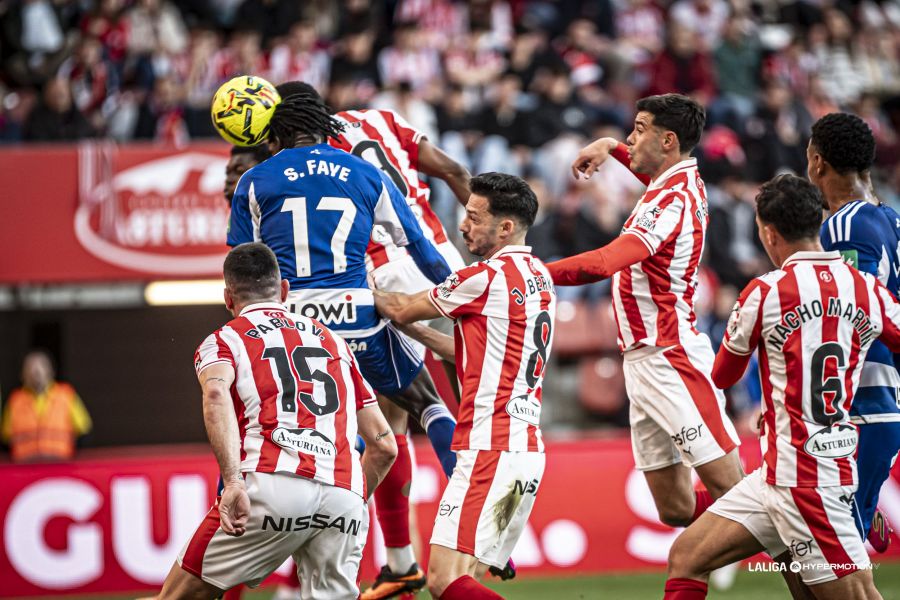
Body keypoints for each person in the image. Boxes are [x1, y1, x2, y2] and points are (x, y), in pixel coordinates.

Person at [274, 80, 473, 598]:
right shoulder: (380, 119)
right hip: (439, 258)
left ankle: (386, 550)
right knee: (409, 410)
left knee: (390, 412)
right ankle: (405, 561)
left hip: (377, 275)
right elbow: (452, 170)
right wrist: (482, 245)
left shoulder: (310, 159)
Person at [664, 174, 900, 599]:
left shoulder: (764, 292)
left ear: (769, 233)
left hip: (813, 485)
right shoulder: (868, 289)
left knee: (857, 595)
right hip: (776, 477)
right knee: (687, 556)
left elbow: (723, 376)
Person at [226, 94, 458, 514]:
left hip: (293, 325)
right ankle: (468, 504)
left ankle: (311, 523)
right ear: (325, 126)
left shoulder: (255, 180)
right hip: (357, 312)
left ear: (276, 135)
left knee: (313, 429)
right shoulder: (366, 173)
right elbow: (419, 246)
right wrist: (457, 294)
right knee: (428, 404)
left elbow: (245, 265)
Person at [157, 242, 398, 600]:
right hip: (344, 493)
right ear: (284, 289)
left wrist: (233, 481)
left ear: (228, 298)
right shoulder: (336, 344)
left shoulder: (225, 340)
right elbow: (384, 446)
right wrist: (350, 500)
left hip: (271, 485)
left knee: (176, 598)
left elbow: (215, 394)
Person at [547, 94, 743, 527]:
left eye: (638, 129)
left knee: (737, 494)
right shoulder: (670, 183)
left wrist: (530, 271)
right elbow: (637, 162)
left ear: (668, 140)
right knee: (675, 509)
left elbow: (603, 263)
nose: (630, 139)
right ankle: (773, 522)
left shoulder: (670, 200)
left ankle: (816, 527)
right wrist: (607, 145)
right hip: (641, 362)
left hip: (670, 358)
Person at [374, 173, 555, 600]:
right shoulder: (538, 276)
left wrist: (356, 290)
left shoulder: (484, 277)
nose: (463, 225)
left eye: (474, 217)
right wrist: (413, 333)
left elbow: (400, 308)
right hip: (524, 449)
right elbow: (466, 352)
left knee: (444, 580)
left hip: (489, 448)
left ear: (505, 227)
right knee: (464, 575)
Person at [808, 112, 900, 553]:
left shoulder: (844, 226)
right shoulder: (891, 220)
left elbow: (850, 315)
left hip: (859, 409)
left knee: (831, 561)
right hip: (882, 403)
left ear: (817, 162)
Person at [1, 350, 92, 462]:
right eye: (30, 368)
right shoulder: (15, 400)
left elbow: (83, 430)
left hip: (60, 463)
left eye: (41, 367)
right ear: (22, 374)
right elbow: (6, 437)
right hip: (24, 466)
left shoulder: (66, 395)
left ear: (51, 371)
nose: (36, 372)